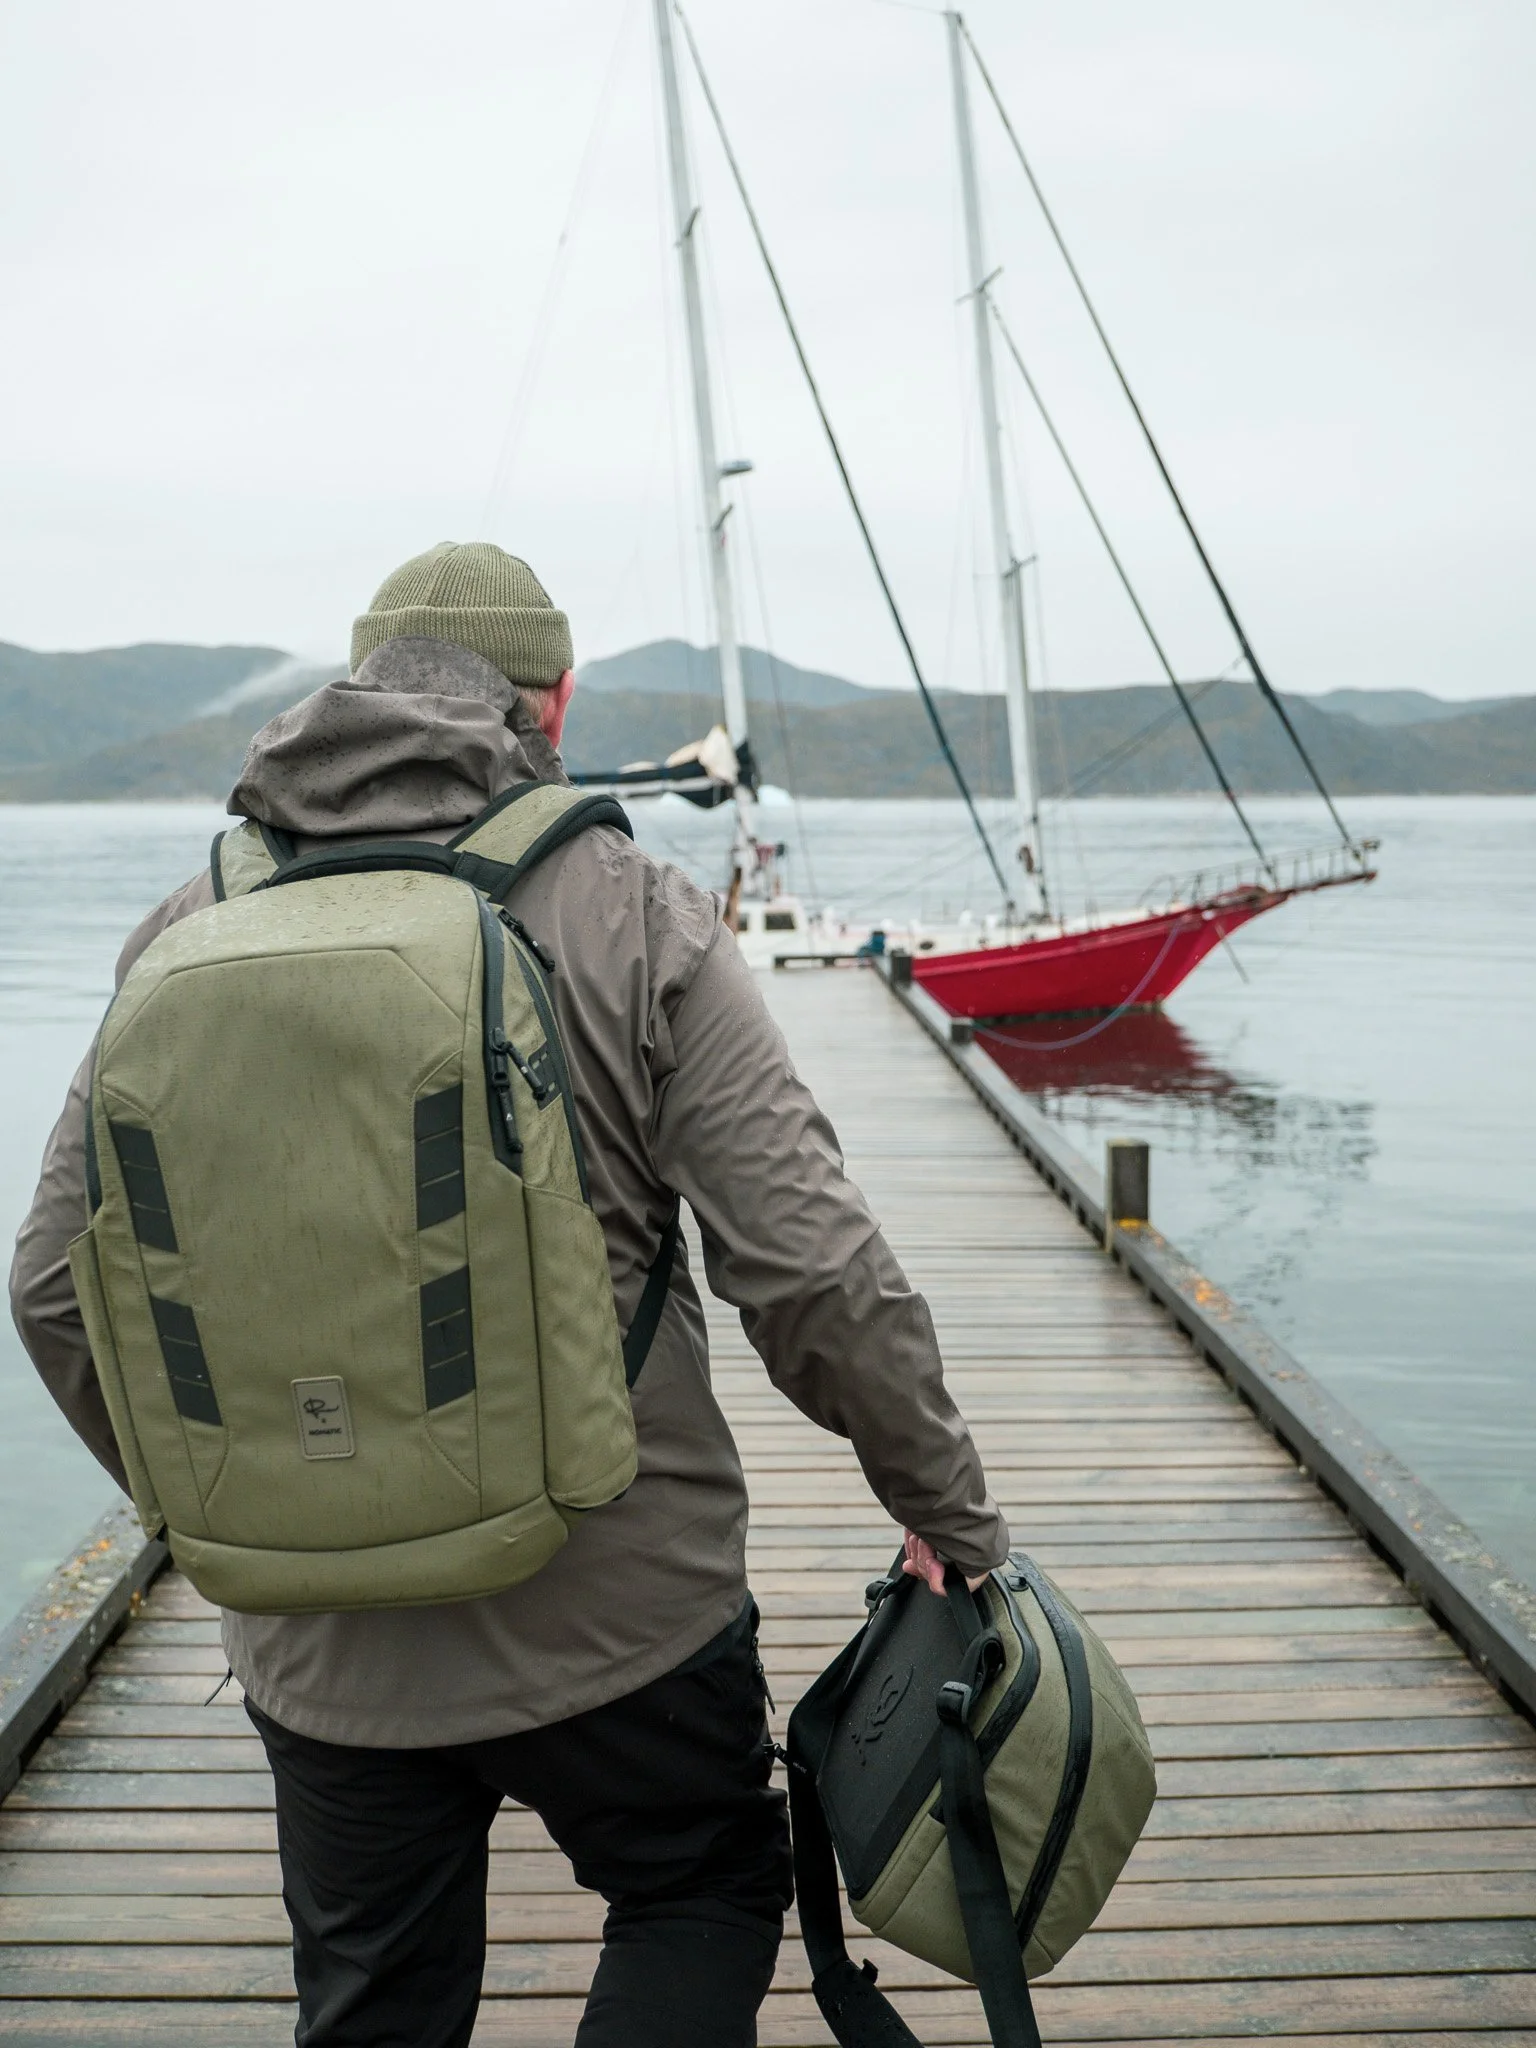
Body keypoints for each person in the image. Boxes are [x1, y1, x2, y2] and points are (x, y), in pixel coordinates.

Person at [10, 541, 1009, 2048]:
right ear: (555, 700)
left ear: (355, 690)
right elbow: (813, 1269)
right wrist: (949, 1514)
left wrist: (230, 1499)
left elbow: (52, 1288)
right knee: (696, 1895)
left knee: (374, 2002)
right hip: (621, 1620)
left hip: (325, 1646)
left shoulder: (188, 925)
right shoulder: (637, 913)